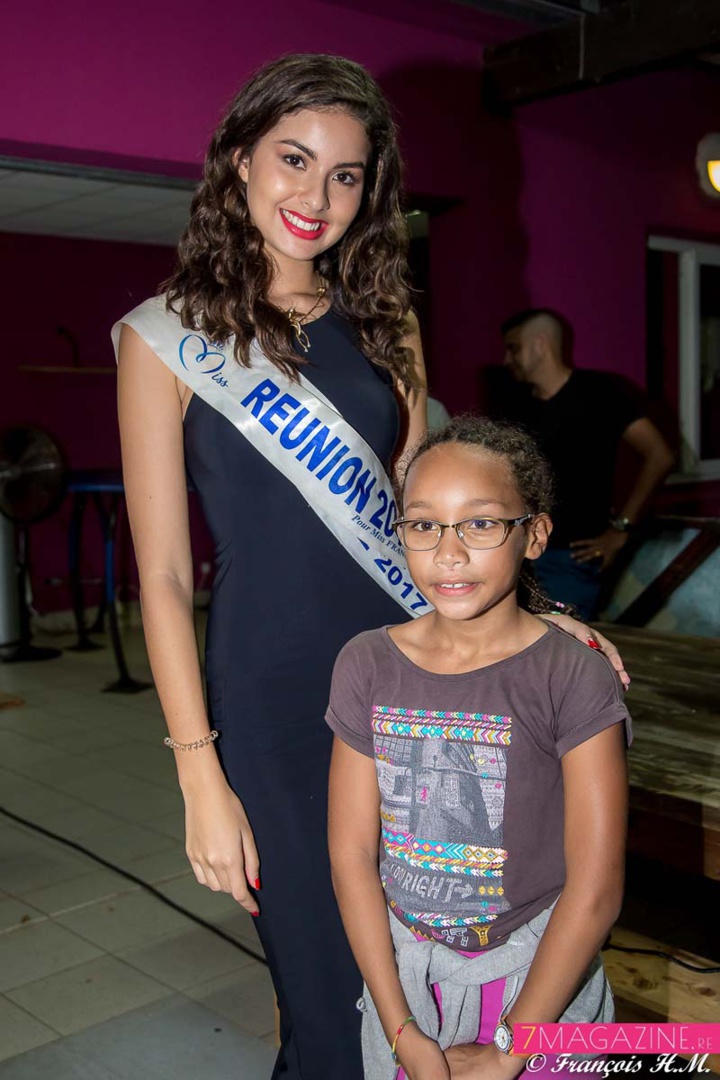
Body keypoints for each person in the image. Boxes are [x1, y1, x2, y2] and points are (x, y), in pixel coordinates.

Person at [115, 55, 627, 1080]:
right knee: (323, 987)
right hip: (268, 702)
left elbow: (415, 520)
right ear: (238, 161)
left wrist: (525, 617)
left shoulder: (389, 324)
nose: (317, 196)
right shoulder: (163, 338)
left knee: (429, 964)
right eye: (295, 160)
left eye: (347, 176)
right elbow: (164, 577)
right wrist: (197, 772)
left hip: (416, 680)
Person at [327, 416, 631, 1080]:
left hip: (542, 989)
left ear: (535, 535)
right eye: (423, 524)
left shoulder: (571, 673)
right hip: (408, 988)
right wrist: (399, 1027)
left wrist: (511, 1051)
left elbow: (596, 888)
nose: (449, 552)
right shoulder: (366, 664)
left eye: (481, 523)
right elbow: (351, 856)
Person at [500, 309, 675, 620]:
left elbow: (659, 455)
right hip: (516, 551)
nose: (506, 359)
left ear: (541, 343)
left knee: (565, 654)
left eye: (514, 348)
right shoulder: (515, 403)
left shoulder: (600, 392)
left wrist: (621, 528)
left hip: (569, 556)